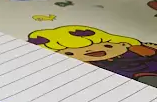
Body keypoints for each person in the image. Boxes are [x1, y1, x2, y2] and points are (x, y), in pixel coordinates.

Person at [28, 25, 157, 87]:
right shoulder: (92, 66)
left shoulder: (133, 51)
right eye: (70, 53)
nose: (89, 51)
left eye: (107, 45)